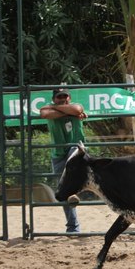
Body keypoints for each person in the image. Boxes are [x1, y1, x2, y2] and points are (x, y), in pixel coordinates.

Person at [40, 88, 86, 233]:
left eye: (65, 97)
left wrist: (58, 110)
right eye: (59, 97)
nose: (62, 99)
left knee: (73, 153)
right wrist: (68, 111)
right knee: (64, 192)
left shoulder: (75, 105)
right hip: (58, 154)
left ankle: (72, 186)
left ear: (69, 98)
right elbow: (44, 113)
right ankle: (72, 227)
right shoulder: (50, 108)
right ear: (54, 99)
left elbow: (78, 109)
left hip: (76, 149)